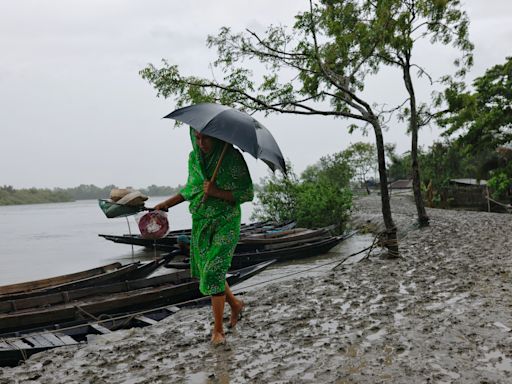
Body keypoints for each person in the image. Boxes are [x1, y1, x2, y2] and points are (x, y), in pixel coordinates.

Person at [154, 129, 253, 345]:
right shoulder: (194, 158)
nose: (201, 143)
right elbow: (191, 188)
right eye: (197, 137)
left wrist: (218, 192)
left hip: (226, 221)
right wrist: (166, 204)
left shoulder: (232, 158)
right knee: (208, 269)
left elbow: (246, 193)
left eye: (205, 137)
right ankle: (236, 304)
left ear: (217, 137)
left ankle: (218, 330)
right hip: (201, 222)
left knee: (215, 269)